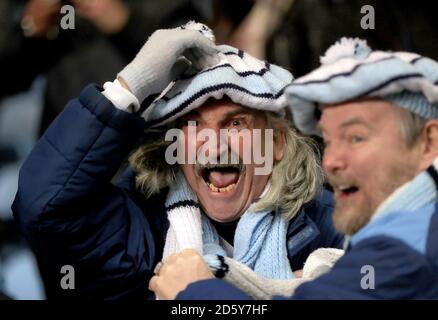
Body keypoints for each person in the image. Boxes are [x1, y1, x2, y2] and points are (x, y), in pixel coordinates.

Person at [12, 22, 343, 300]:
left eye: (235, 123)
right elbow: (43, 208)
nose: (213, 148)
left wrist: (198, 295)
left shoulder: (336, 228)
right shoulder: (143, 227)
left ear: (276, 144)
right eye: (193, 125)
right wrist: (130, 85)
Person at [150, 38, 438, 300]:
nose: (331, 161)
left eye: (356, 137)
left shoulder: (410, 245)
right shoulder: (393, 234)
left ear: (428, 142)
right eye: (329, 139)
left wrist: (193, 293)